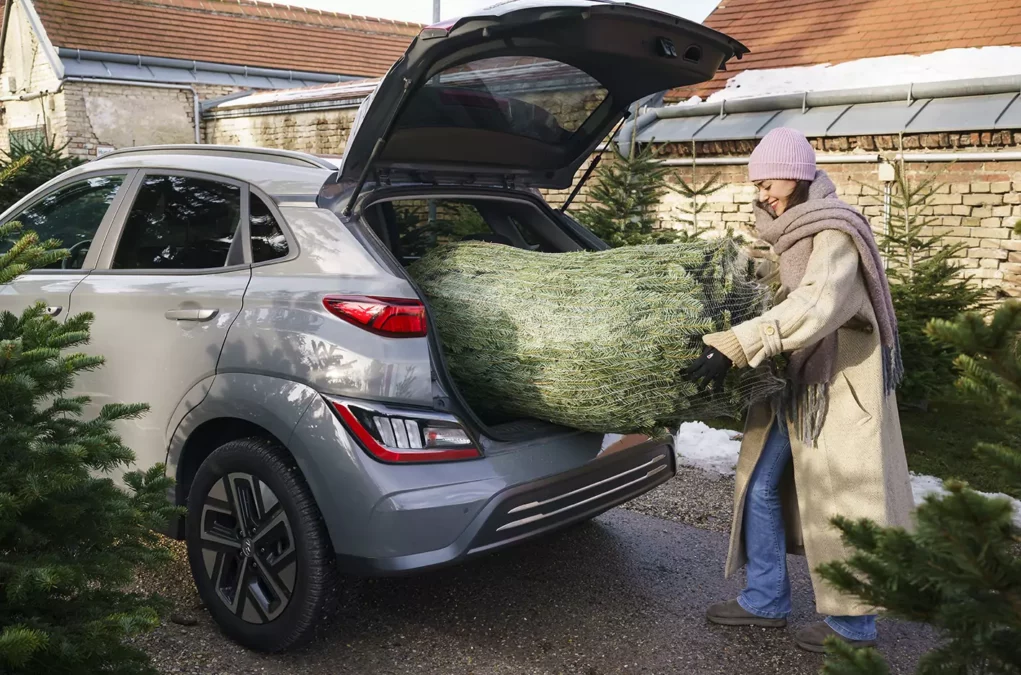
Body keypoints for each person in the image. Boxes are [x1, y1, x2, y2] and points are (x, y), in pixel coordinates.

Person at [682, 127, 914, 653]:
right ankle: (765, 599)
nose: (762, 192)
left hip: (838, 390)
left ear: (799, 172)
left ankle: (855, 627)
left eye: (768, 181)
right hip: (794, 383)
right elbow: (785, 283)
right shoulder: (790, 231)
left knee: (842, 499)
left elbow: (816, 302)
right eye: (757, 184)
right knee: (761, 485)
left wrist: (737, 344)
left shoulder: (835, 233)